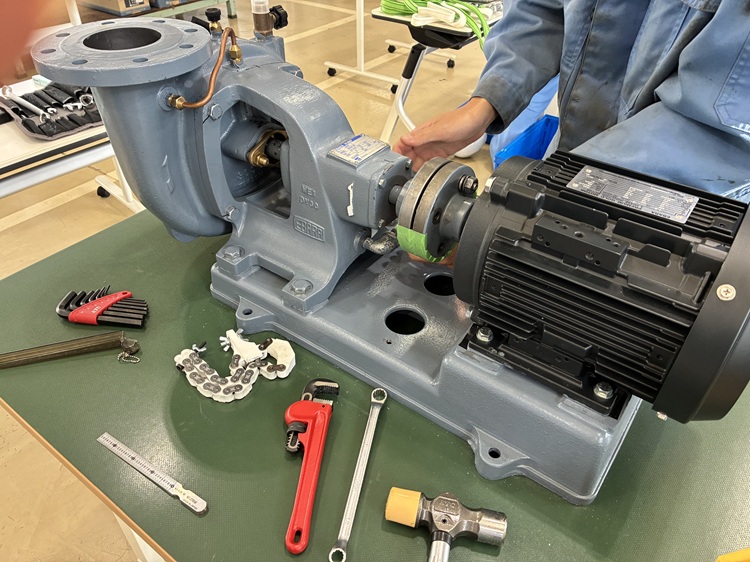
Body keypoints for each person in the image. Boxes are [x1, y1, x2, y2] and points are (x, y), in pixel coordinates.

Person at [394, 0, 750, 202]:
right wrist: (484, 106)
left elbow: (714, 126)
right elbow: (542, 10)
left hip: (679, 196)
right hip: (573, 154)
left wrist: (501, 226)